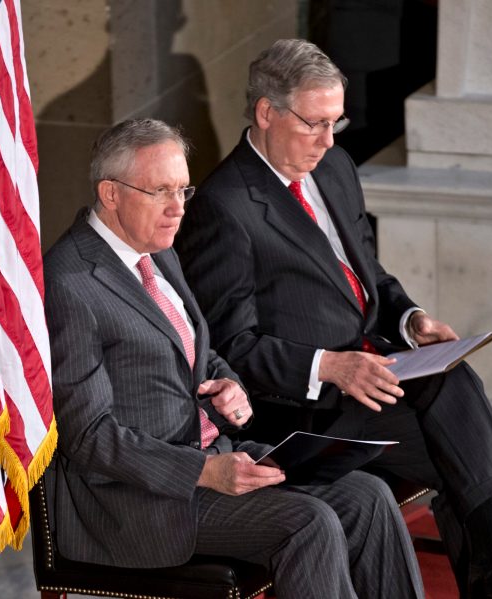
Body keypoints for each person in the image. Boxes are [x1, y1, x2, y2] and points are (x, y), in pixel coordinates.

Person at [174, 39, 492, 599]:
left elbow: (368, 274)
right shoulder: (225, 206)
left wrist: (411, 319)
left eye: (337, 121)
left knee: (450, 380)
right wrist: (330, 366)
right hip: (299, 409)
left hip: (371, 372)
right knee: (458, 443)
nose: (329, 140)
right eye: (314, 123)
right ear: (266, 112)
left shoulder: (333, 166)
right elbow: (233, 345)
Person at [43, 118, 424, 598]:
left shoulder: (156, 250)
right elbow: (89, 438)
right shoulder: (70, 283)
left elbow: (201, 350)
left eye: (184, 190)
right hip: (142, 502)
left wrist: (229, 384)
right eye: (161, 191)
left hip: (216, 458)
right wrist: (204, 472)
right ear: (111, 193)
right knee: (309, 523)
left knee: (368, 497)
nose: (178, 209)